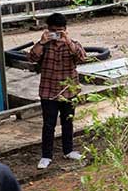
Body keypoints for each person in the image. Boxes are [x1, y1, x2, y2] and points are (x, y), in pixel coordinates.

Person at [29, 12, 87, 170]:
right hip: (49, 91)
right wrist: (41, 42)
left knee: (68, 122)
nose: (56, 34)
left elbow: (82, 58)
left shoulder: (73, 44)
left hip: (69, 90)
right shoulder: (44, 45)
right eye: (53, 30)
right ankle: (46, 155)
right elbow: (32, 57)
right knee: (48, 125)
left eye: (60, 31)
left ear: (65, 30)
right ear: (48, 30)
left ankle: (68, 150)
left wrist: (68, 42)